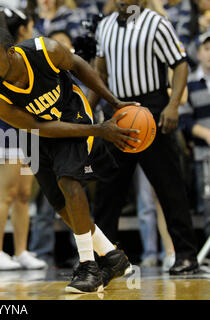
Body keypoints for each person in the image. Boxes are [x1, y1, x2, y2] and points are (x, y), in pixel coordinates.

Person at [0, 27, 139, 293]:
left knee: (69, 182)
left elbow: (78, 66)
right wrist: (100, 131)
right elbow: (39, 127)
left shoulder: (44, 51)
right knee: (59, 203)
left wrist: (114, 102)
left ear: (11, 51)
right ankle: (112, 256)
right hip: (36, 133)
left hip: (72, 116)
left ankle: (88, 266)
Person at [89, 0, 200, 275]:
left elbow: (181, 64)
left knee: (169, 189)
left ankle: (186, 256)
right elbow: (99, 73)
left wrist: (173, 104)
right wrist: (89, 110)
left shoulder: (157, 23)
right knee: (107, 193)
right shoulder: (104, 26)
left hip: (152, 110)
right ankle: (104, 259)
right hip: (117, 113)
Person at [0, 7, 47, 271]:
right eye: (30, 26)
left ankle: (21, 251)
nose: (32, 31)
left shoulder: (27, 53)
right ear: (22, 29)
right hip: (6, 129)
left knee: (23, 195)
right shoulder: (2, 55)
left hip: (28, 129)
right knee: (6, 194)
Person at [180, 30, 210, 242]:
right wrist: (207, 135)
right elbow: (184, 120)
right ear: (198, 53)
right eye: (207, 49)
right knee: (208, 204)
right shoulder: (189, 83)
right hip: (203, 155)